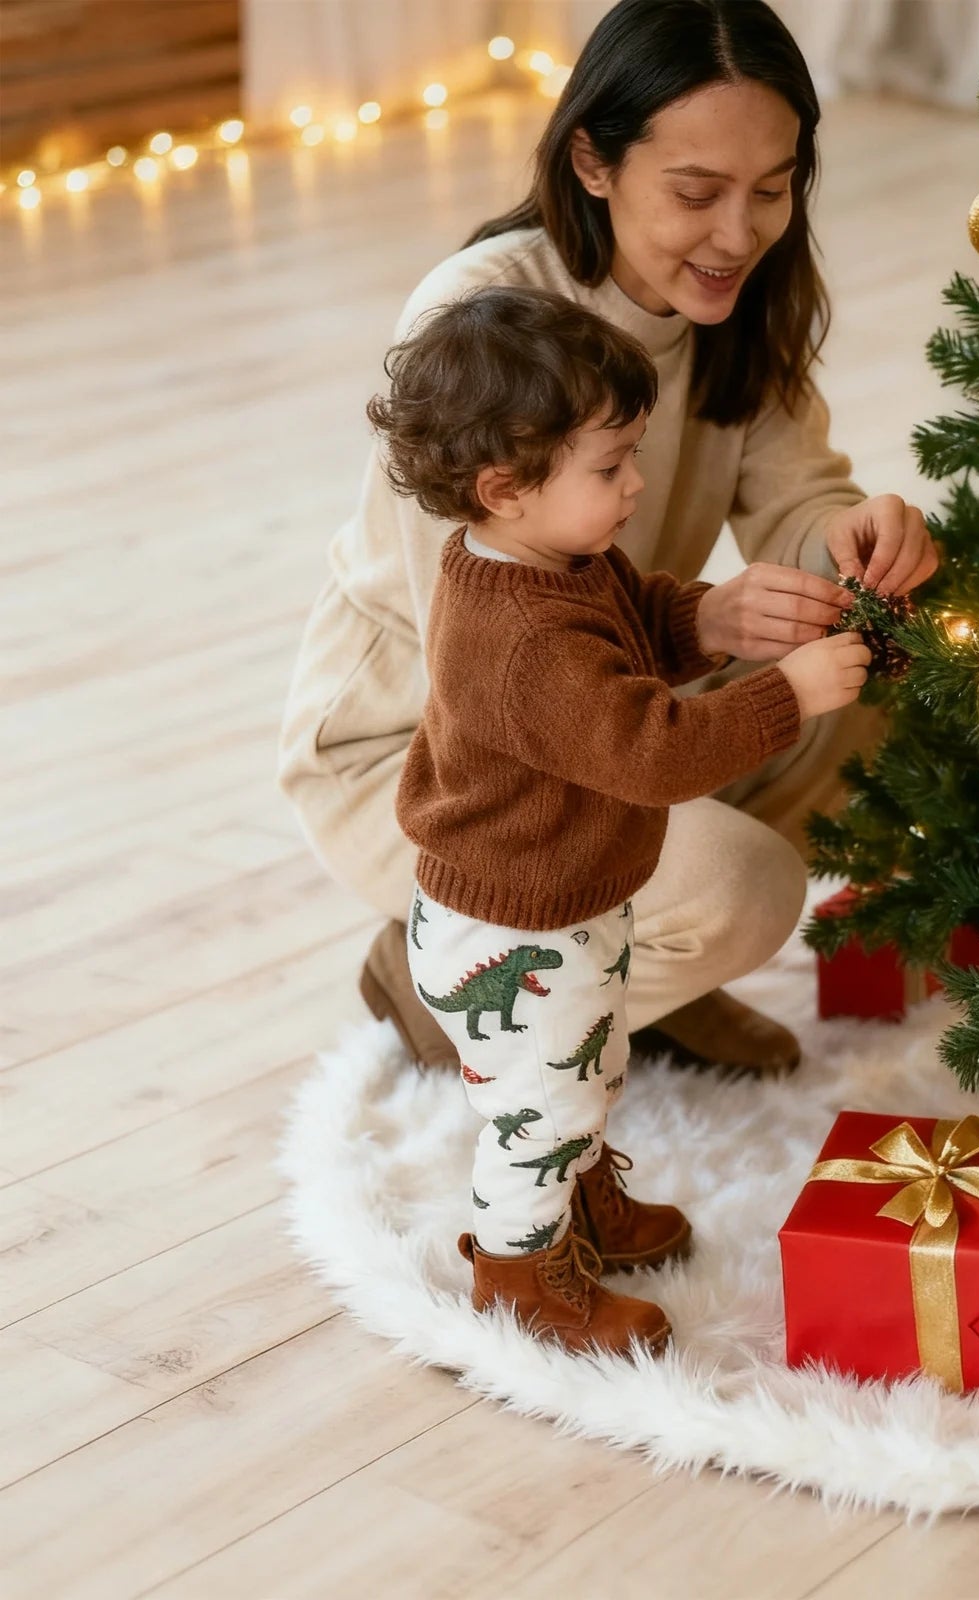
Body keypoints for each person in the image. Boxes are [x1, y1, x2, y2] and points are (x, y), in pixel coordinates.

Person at [277, 0, 938, 1079]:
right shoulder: (484, 321)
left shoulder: (738, 315)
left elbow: (796, 505)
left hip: (604, 707)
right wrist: (725, 656)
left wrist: (854, 544)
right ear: (591, 160)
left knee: (875, 679)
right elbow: (493, 660)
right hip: (439, 767)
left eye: (770, 190)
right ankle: (452, 988)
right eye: (695, 193)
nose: (739, 233)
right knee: (741, 886)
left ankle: (643, 977)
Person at [371, 284, 870, 1354]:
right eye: (610, 468)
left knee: (587, 1065)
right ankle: (520, 1273)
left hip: (566, 895)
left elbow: (632, 615)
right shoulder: (522, 640)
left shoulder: (553, 562)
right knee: (537, 1110)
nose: (635, 483)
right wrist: (787, 692)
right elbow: (651, 749)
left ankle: (581, 1204)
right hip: (516, 925)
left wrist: (710, 618)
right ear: (503, 487)